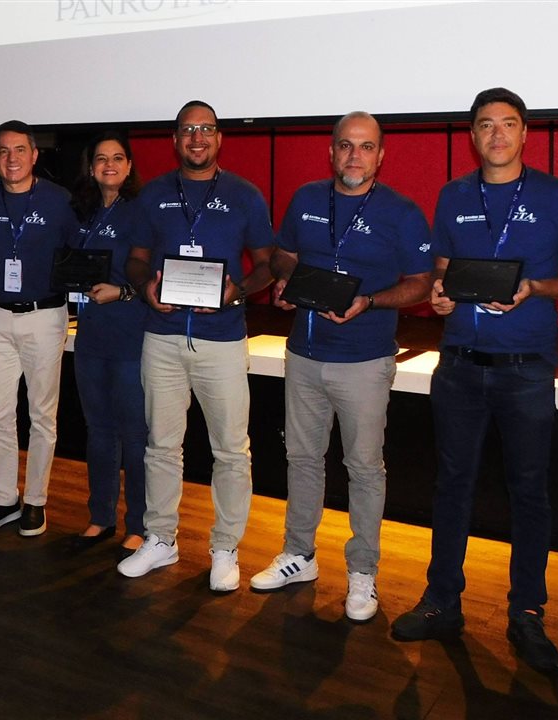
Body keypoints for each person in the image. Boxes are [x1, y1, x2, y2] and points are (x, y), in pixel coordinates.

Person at [390, 88, 558, 672]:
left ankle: (527, 612)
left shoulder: (557, 196)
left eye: (508, 124)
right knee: (451, 484)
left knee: (529, 491)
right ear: (473, 136)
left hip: (526, 368)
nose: (497, 135)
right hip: (458, 365)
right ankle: (441, 601)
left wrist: (535, 288)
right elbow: (445, 274)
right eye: (485, 126)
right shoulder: (453, 196)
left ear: (525, 133)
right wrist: (440, 298)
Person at [249, 112, 432, 621]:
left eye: (366, 147)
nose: (355, 156)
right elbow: (283, 255)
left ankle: (362, 572)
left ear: (381, 154)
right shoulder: (307, 198)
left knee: (363, 468)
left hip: (365, 360)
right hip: (304, 354)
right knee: (303, 460)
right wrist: (287, 280)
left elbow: (419, 281)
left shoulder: (401, 211)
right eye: (346, 146)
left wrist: (369, 301)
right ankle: (299, 555)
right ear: (331, 152)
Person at [117, 100, 274, 592]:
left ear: (219, 138)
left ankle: (225, 548)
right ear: (176, 139)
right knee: (161, 445)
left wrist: (237, 290)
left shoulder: (245, 195)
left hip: (222, 339)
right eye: (188, 130)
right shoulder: (154, 195)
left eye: (206, 129)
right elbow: (137, 260)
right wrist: (146, 288)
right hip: (161, 336)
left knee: (231, 450)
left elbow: (269, 264)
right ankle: (160, 539)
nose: (197, 138)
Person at [0, 120, 78, 538]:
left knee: (41, 415)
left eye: (20, 150)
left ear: (34, 155)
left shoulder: (59, 200)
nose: (11, 158)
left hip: (44, 317)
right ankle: (4, 500)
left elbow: (79, 250)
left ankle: (35, 501)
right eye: (3, 151)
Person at [68, 131, 148, 556]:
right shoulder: (79, 211)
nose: (109, 165)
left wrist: (123, 293)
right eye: (101, 158)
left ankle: (138, 523)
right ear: (91, 166)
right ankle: (100, 517)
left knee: (135, 434)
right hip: (91, 335)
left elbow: (153, 275)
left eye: (118, 158)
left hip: (132, 331)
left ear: (130, 166)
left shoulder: (142, 212)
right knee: (98, 431)